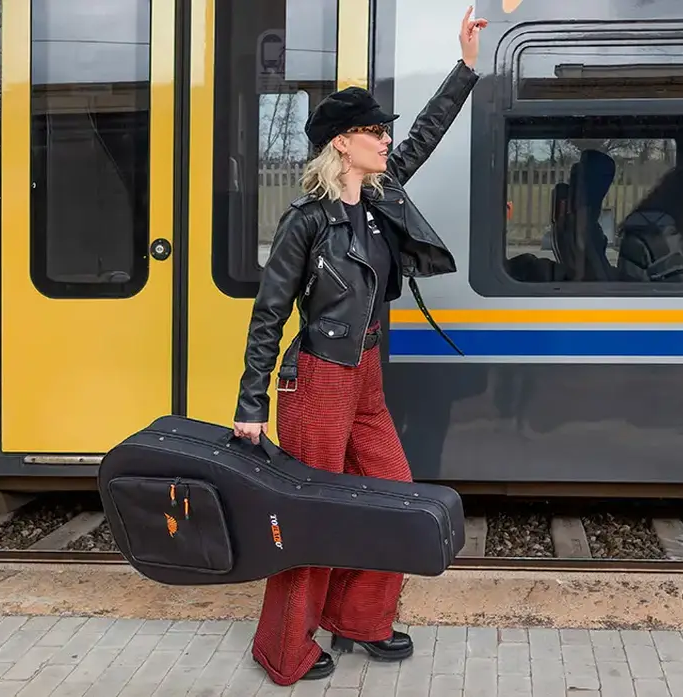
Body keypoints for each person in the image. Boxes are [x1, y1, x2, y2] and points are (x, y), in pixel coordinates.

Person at [231, 6, 488, 686]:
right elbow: (269, 315)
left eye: (382, 132)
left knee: (392, 499)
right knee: (311, 518)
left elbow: (425, 135)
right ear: (342, 144)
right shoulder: (306, 221)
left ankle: (361, 620)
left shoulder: (380, 198)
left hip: (366, 372)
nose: (385, 140)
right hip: (316, 378)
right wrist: (250, 403)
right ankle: (284, 648)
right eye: (373, 132)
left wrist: (465, 66)